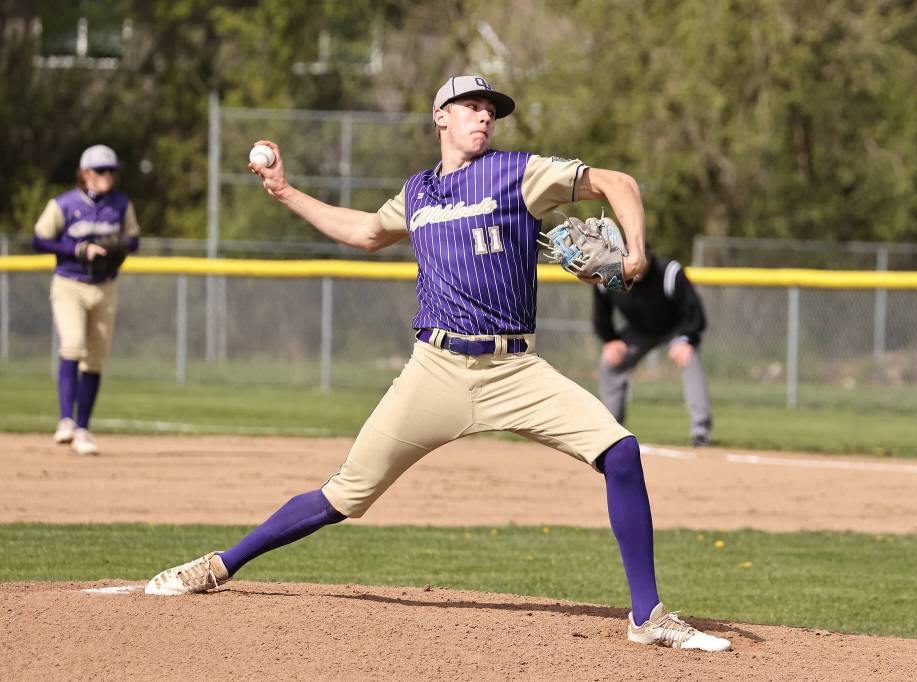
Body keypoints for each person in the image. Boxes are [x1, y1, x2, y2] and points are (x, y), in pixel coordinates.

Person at [145, 76, 730, 652]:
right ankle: (218, 565)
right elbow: (367, 231)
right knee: (346, 495)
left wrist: (636, 251)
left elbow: (616, 182)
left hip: (515, 370)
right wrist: (284, 192)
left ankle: (648, 616)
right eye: (470, 106)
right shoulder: (418, 193)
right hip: (435, 370)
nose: (483, 117)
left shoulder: (518, 173)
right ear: (440, 117)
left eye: (490, 110)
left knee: (621, 451)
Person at [32, 144, 140, 456]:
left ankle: (83, 429)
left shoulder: (120, 204)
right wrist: (78, 250)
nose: (109, 176)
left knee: (96, 358)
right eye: (103, 170)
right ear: (86, 173)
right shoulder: (64, 204)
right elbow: (39, 239)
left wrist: (117, 246)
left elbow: (133, 238)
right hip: (69, 284)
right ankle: (66, 420)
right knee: (73, 345)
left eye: (112, 170)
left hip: (104, 286)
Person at [593, 252, 713, 446]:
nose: (636, 268)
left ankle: (701, 432)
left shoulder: (668, 271)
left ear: (645, 258)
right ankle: (611, 433)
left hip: (676, 328)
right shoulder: (611, 274)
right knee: (609, 363)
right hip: (638, 332)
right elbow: (601, 310)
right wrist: (609, 339)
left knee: (689, 360)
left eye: (639, 262)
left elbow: (694, 310)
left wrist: (686, 339)